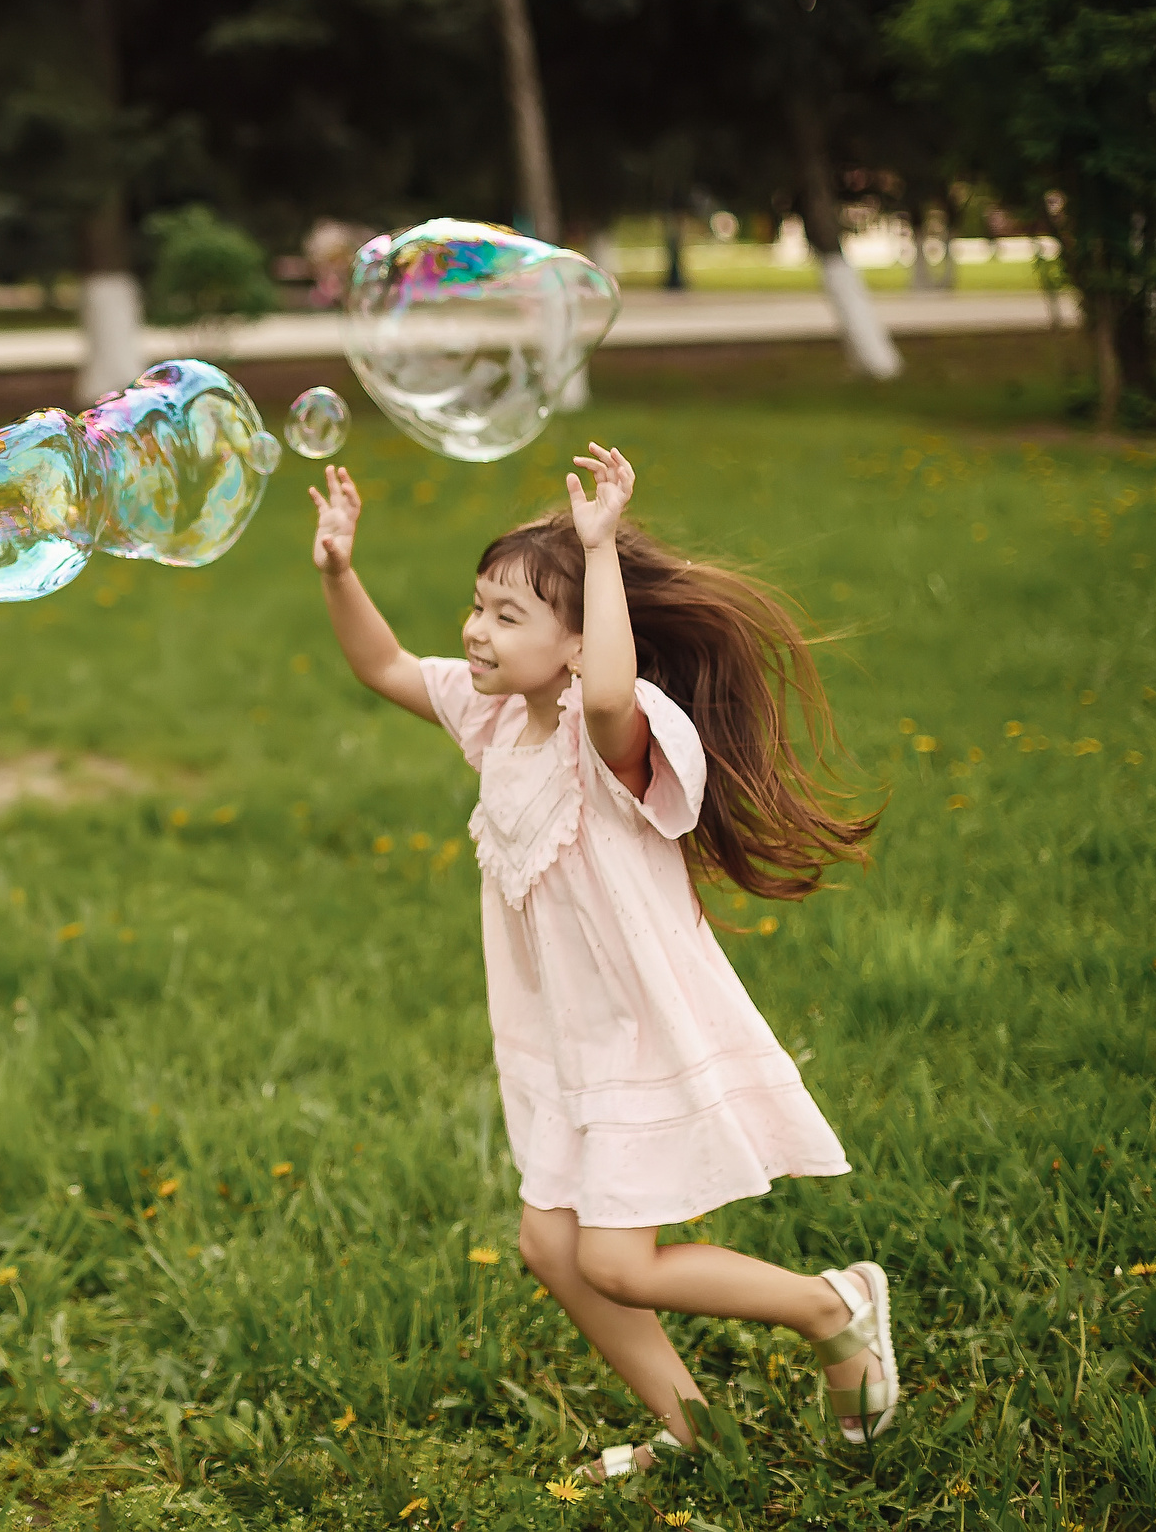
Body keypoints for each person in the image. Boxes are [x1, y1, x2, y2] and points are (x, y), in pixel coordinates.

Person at [309, 444, 892, 1479]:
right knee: (551, 1248)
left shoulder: (606, 733)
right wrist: (339, 571)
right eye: (477, 606)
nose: (475, 630)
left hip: (634, 1030)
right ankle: (697, 1434)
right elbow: (384, 666)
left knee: (616, 1262)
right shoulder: (496, 717)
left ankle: (830, 1305)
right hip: (566, 1038)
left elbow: (614, 690)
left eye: (506, 615)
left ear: (576, 645)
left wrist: (600, 549)